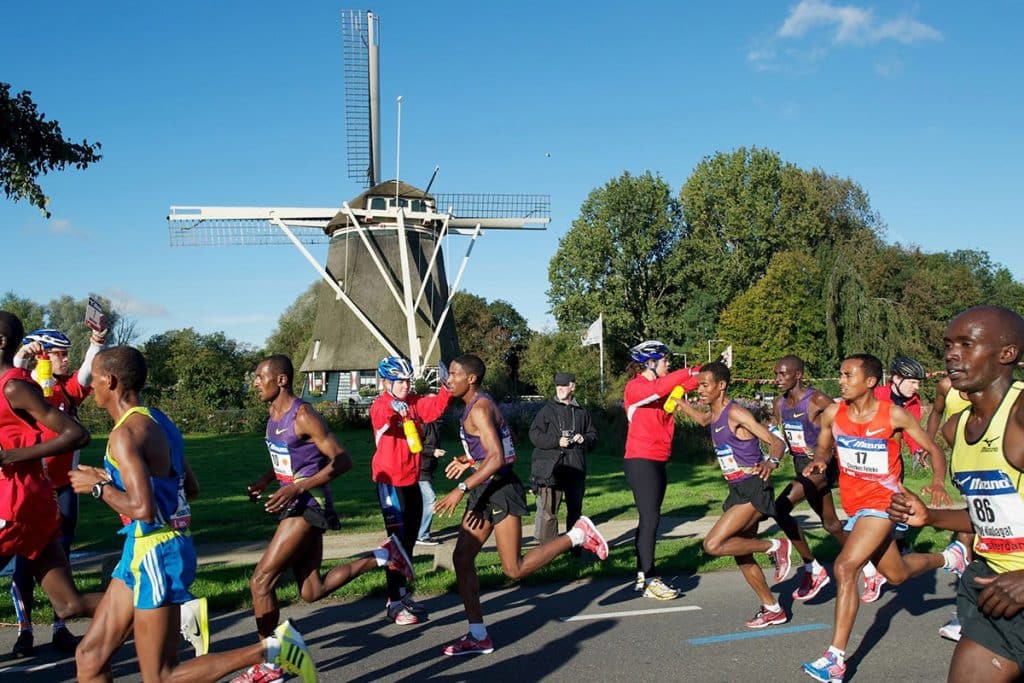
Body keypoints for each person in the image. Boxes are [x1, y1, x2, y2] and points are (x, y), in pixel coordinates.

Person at [68, 346, 316, 683]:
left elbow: (144, 509)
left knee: (161, 675)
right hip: (145, 548)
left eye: (93, 379)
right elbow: (190, 488)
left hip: (156, 551)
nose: (89, 387)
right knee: (90, 656)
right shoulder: (159, 419)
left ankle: (273, 649)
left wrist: (97, 488)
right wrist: (113, 481)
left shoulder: (123, 435)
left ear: (110, 381)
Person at [238, 354, 413, 682]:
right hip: (295, 500)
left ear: (281, 380)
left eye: (261, 377)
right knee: (311, 591)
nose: (255, 383)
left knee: (261, 581)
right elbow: (287, 457)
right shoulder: (272, 413)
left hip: (308, 504)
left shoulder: (303, 415)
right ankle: (384, 555)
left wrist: (297, 488)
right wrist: (266, 480)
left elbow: (343, 460)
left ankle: (271, 663)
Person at [800, 353, 963, 683]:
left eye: (848, 375)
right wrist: (819, 462)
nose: (841, 381)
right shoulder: (834, 413)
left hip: (887, 503)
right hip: (855, 504)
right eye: (841, 375)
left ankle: (835, 659)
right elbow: (823, 447)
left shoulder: (895, 415)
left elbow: (932, 449)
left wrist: (935, 481)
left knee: (846, 566)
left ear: (870, 381)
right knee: (897, 573)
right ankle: (951, 557)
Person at [434, 353, 608, 656]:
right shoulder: (480, 406)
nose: (448, 380)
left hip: (500, 491)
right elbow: (506, 444)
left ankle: (578, 534)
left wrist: (461, 488)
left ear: (470, 378)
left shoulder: (480, 409)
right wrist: (471, 459)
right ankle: (478, 636)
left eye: (453, 374)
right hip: (486, 489)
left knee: (513, 569)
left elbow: (499, 458)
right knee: (462, 558)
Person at [888, 305, 1024, 683]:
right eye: (949, 344)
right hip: (994, 587)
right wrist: (930, 517)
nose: (951, 354)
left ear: (1007, 353)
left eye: (967, 344)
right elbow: (992, 515)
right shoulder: (957, 428)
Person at [0, 311, 104, 648]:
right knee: (68, 603)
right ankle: (168, 610)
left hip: (16, 502)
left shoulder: (14, 386)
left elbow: (76, 434)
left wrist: (10, 456)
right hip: (35, 502)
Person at [676, 362, 792, 628]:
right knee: (741, 554)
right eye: (699, 385)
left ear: (721, 386)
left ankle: (775, 546)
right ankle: (773, 608)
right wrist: (681, 404)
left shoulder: (736, 413)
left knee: (714, 544)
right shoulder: (714, 414)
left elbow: (776, 442)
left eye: (705, 385)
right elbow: (704, 419)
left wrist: (772, 462)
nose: (700, 389)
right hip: (736, 489)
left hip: (753, 485)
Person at [370, 355, 453, 624]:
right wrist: (395, 410)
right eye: (398, 381)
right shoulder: (380, 405)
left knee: (409, 541)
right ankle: (394, 603)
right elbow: (382, 418)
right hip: (390, 483)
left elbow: (435, 408)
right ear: (386, 382)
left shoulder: (414, 402)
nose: (405, 385)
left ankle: (402, 594)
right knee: (396, 544)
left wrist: (445, 387)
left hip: (412, 479)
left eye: (407, 380)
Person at [623, 340, 700, 599]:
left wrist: (708, 370)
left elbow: (689, 383)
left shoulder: (661, 386)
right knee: (651, 519)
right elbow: (663, 386)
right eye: (666, 360)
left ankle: (642, 576)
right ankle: (649, 580)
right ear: (650, 363)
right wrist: (689, 372)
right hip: (641, 459)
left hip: (657, 459)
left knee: (649, 520)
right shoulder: (636, 388)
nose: (670, 364)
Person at [770, 355, 846, 602]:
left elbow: (843, 422)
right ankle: (869, 566)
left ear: (798, 375)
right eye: (776, 374)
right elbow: (777, 437)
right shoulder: (778, 404)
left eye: (783, 374)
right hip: (801, 465)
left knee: (780, 508)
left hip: (822, 466)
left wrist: (829, 454)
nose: (778, 379)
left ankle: (813, 568)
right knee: (831, 523)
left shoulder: (817, 399)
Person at [926, 373, 975, 642]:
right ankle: (966, 615)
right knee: (974, 529)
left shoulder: (1005, 389)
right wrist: (926, 442)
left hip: (997, 467)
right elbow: (935, 413)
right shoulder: (946, 385)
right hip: (964, 466)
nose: (954, 357)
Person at [529, 371, 597, 545]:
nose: (560, 389)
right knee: (549, 512)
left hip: (576, 467)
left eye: (564, 386)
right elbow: (534, 434)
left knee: (575, 511)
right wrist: (556, 441)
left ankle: (574, 548)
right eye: (557, 386)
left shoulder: (582, 412)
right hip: (553, 468)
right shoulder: (547, 410)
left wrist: (585, 438)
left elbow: (593, 435)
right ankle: (548, 551)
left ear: (572, 386)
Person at [416, 418, 443, 546]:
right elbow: (414, 445)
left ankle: (415, 532)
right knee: (430, 499)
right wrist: (433, 451)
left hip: (426, 470)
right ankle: (422, 535)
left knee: (421, 502)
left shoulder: (437, 424)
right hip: (418, 470)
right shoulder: (423, 424)